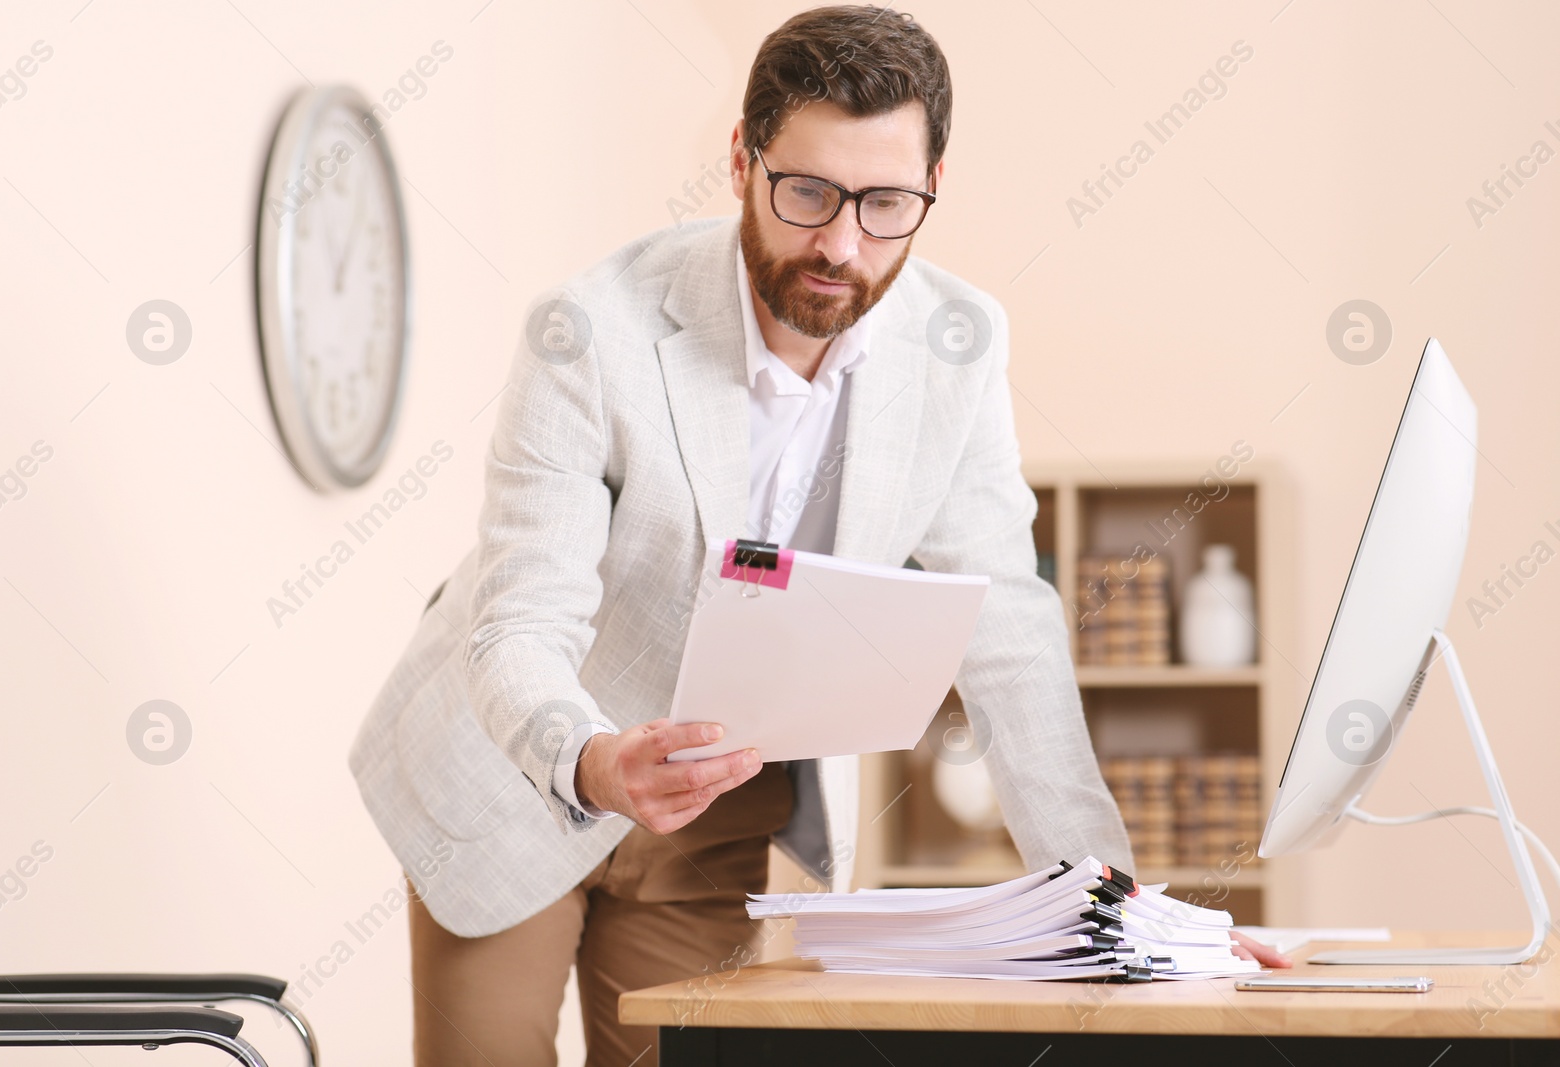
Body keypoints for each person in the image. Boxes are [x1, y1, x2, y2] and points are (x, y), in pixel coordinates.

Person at [348, 6, 1289, 1065]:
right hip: (522, 763)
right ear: (742, 162)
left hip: (715, 794)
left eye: (886, 202)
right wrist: (596, 758)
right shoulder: (591, 332)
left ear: (936, 185)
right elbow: (521, 619)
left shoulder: (955, 347)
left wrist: (1121, 911)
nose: (840, 245)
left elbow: (1008, 631)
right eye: (807, 193)